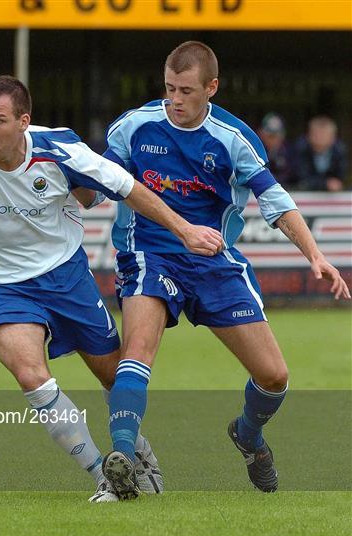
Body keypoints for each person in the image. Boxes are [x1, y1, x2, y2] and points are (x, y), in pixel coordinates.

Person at [0, 75, 223, 502]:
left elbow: (130, 189)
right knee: (31, 375)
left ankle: (139, 452)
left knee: (113, 376)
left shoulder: (62, 152)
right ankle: (104, 475)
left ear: (24, 121)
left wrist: (186, 229)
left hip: (66, 278)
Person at [100, 41, 350, 499]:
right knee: (136, 351)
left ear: (211, 88)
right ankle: (121, 461)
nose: (174, 99)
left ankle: (248, 435)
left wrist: (315, 255)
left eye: (186, 91)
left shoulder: (233, 139)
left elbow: (275, 201)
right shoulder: (133, 127)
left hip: (214, 263)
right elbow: (98, 185)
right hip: (148, 254)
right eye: (169, 88)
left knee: (274, 376)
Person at [293, 116, 348, 191]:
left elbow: (340, 178)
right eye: (317, 134)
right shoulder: (300, 149)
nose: (320, 138)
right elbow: (301, 178)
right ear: (309, 135)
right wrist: (326, 184)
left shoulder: (340, 151)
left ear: (333, 137)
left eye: (324, 134)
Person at [257, 113, 294, 189]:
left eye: (276, 135)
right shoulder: (255, 152)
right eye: (270, 136)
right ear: (261, 134)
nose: (273, 140)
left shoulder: (290, 152)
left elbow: (293, 177)